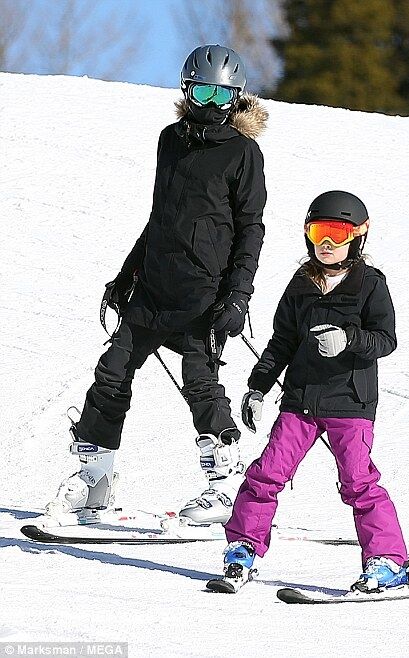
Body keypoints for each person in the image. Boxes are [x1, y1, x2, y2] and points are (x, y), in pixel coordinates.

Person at [45, 44, 268, 527]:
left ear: (237, 99)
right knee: (112, 371)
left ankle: (223, 487)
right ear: (187, 90)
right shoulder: (170, 141)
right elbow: (160, 218)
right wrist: (128, 272)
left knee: (201, 385)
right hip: (153, 287)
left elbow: (251, 228)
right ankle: (95, 475)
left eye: (223, 95)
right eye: (204, 91)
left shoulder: (244, 153)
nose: (212, 104)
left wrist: (238, 296)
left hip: (203, 294)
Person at [212, 190, 409, 593]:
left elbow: (385, 339)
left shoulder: (370, 284)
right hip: (300, 401)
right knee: (266, 475)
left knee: (358, 482)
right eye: (319, 231)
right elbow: (281, 340)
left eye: (338, 232)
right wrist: (257, 387)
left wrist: (349, 338)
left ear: (358, 235)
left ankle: (388, 562)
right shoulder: (301, 284)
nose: (327, 242)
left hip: (350, 401)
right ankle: (243, 550)